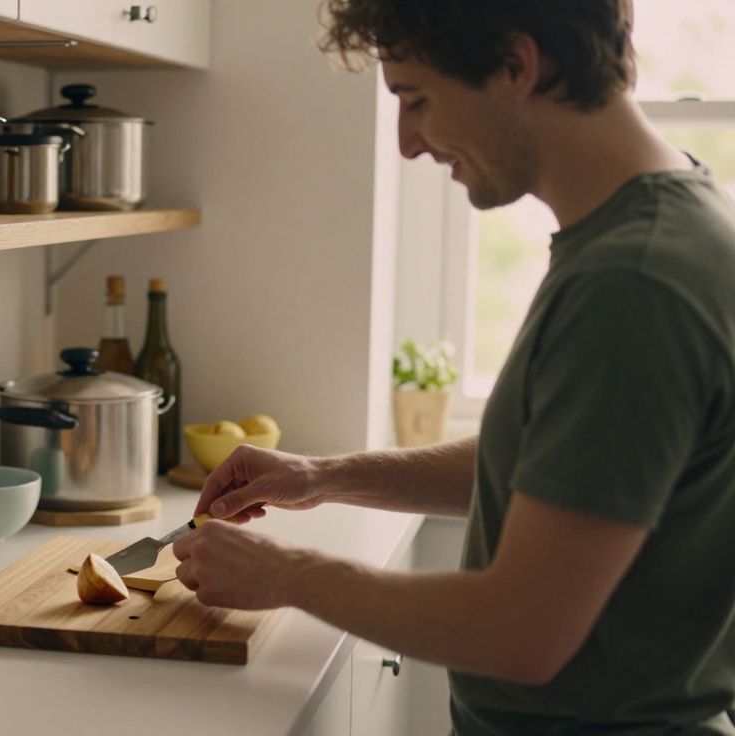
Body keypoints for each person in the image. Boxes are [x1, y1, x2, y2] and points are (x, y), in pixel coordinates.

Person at [171, 1, 735, 732]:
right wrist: (323, 477)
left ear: (516, 66)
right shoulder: (664, 228)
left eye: (415, 98)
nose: (407, 143)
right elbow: (564, 467)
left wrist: (284, 575)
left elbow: (520, 630)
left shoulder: (634, 284)